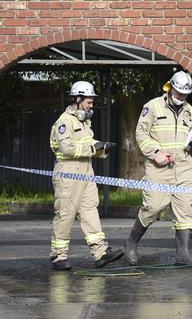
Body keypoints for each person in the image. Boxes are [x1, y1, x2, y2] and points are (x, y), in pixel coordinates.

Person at [124, 71, 192, 266]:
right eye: (179, 93)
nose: (182, 98)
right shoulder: (152, 107)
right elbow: (141, 134)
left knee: (184, 209)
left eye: (185, 94)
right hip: (159, 167)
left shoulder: (189, 111)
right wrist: (156, 152)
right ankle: (131, 242)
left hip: (183, 167)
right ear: (170, 88)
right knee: (154, 207)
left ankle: (183, 254)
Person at [49, 80, 123, 270]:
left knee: (90, 210)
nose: (92, 106)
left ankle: (101, 253)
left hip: (86, 172)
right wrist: (93, 147)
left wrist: (103, 148)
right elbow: (67, 147)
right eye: (89, 102)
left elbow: (87, 145)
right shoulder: (65, 121)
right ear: (78, 99)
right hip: (68, 173)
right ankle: (59, 256)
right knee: (66, 214)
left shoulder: (84, 122)